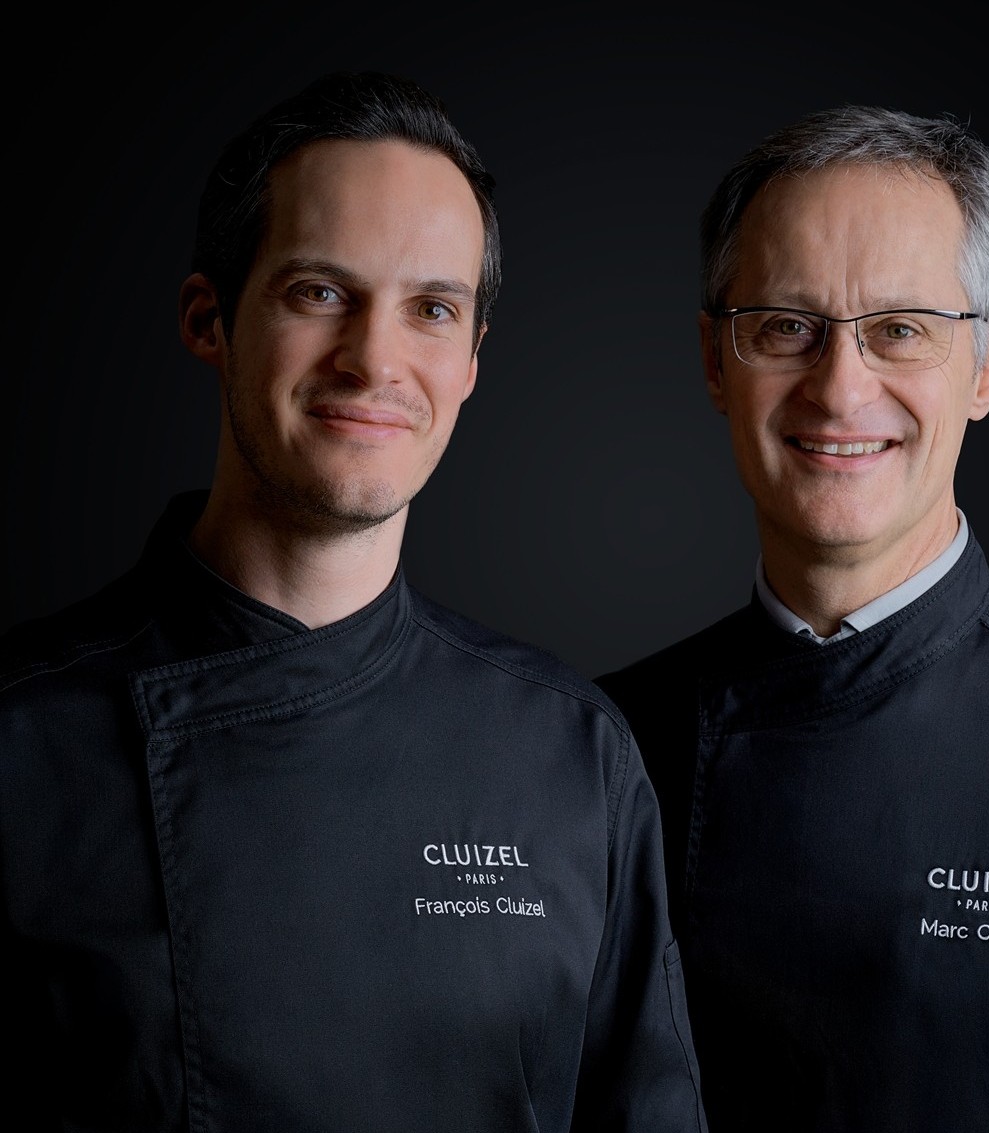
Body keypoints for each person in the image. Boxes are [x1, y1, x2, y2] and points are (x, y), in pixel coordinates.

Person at [0, 71, 706, 1132]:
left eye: (432, 309)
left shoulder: (573, 754)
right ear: (209, 317)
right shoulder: (22, 739)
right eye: (320, 292)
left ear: (470, 363)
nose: (375, 358)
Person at [595, 105, 989, 1132]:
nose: (840, 388)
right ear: (714, 362)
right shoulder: (600, 744)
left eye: (900, 330)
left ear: (985, 366)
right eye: (785, 326)